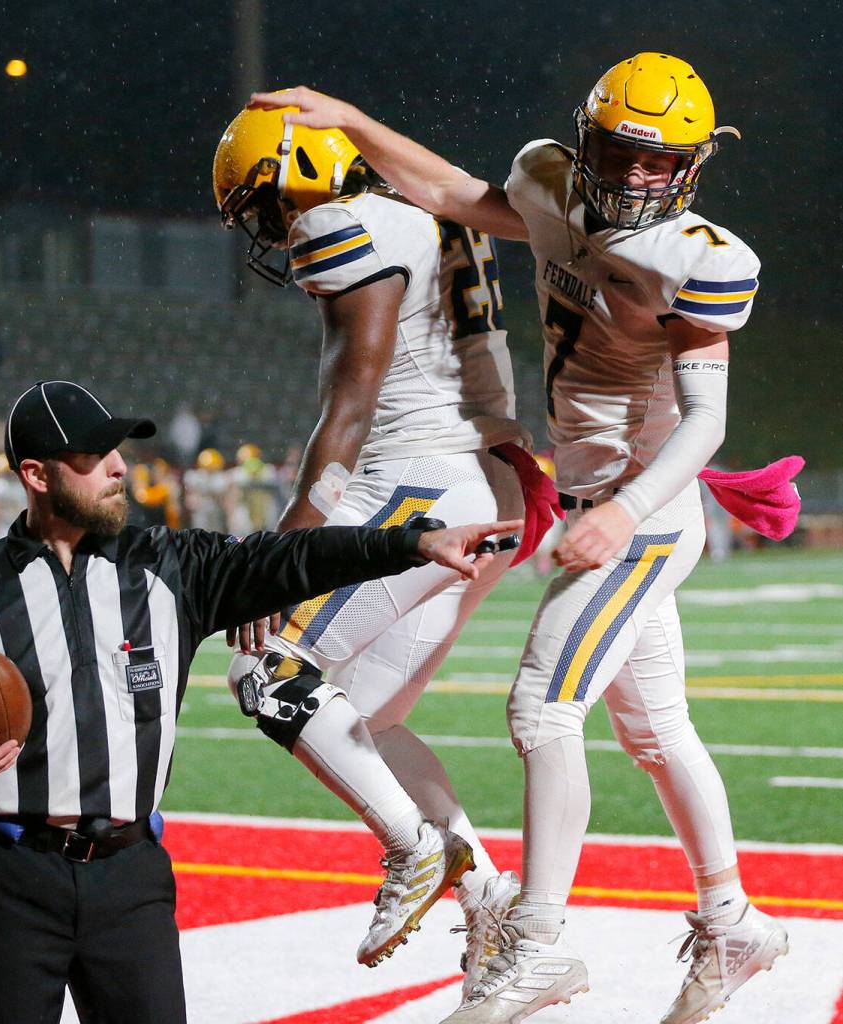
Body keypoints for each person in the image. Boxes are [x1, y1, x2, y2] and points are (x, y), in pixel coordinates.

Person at [250, 52, 789, 1024]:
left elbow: (705, 422)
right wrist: (351, 115)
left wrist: (623, 511)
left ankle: (534, 946)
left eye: (656, 162)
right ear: (585, 143)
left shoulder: (701, 254)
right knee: (655, 732)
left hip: (644, 511)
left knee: (541, 712)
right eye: (618, 155)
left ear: (692, 165)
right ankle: (733, 920)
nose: (634, 178)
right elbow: (457, 192)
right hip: (596, 501)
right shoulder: (548, 184)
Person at [0, 378, 521, 1024]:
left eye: (118, 452)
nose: (118, 468)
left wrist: (411, 544)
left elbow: (293, 559)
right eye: (94, 458)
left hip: (128, 877)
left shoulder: (169, 566)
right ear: (36, 474)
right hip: (7, 878)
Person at [214, 107, 550, 987]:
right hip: (493, 475)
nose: (271, 224)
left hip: (420, 479)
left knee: (265, 666)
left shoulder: (341, 219)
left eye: (265, 201)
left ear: (300, 174)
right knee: (366, 713)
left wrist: (281, 555)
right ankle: (491, 908)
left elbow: (351, 403)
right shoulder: (426, 213)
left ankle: (411, 849)